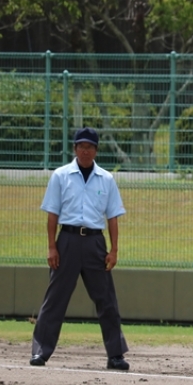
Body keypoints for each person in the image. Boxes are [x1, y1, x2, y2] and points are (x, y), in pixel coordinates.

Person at [29, 127, 130, 371]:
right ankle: (40, 351)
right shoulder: (61, 176)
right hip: (68, 240)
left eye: (90, 147)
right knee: (55, 298)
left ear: (96, 150)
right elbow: (52, 214)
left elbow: (113, 217)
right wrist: (52, 247)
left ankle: (115, 354)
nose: (86, 151)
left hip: (95, 242)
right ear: (74, 149)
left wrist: (114, 250)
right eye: (81, 146)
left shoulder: (106, 179)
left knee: (106, 299)